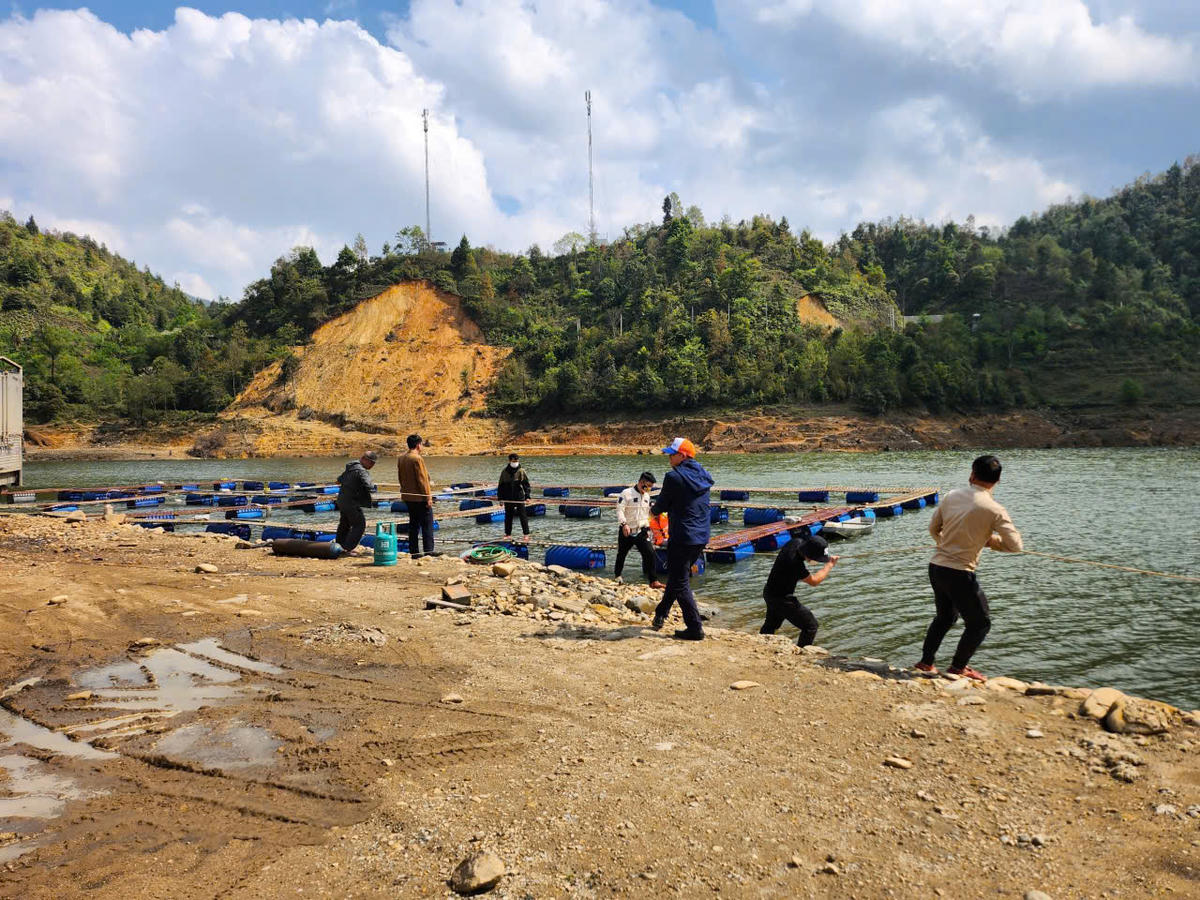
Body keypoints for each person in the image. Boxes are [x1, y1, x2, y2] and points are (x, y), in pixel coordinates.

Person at [914, 454, 1023, 682]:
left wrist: (946, 544)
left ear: (972, 474)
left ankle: (926, 662)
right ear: (998, 481)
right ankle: (958, 668)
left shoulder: (952, 496)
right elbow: (1015, 546)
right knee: (980, 623)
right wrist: (991, 541)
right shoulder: (994, 509)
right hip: (960, 573)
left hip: (936, 566)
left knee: (944, 618)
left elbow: (934, 528)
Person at [650, 437, 714, 640]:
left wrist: (652, 513)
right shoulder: (704, 474)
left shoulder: (673, 477)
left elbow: (661, 506)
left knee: (681, 581)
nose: (669, 457)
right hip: (701, 535)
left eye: (672, 454)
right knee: (679, 576)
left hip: (682, 536)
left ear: (682, 455)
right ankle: (661, 614)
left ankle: (695, 629)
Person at [760, 534, 839, 646]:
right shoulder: (795, 564)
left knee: (771, 624)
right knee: (811, 626)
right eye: (816, 558)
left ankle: (761, 644)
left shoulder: (795, 542)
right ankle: (802, 652)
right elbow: (814, 581)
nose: (815, 561)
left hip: (769, 592)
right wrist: (829, 565)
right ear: (808, 555)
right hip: (782, 599)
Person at [614, 471, 665, 589]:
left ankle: (653, 581)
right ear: (641, 482)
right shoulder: (626, 493)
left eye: (650, 487)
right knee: (621, 553)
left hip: (641, 530)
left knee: (650, 553)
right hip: (626, 529)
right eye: (647, 486)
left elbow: (646, 513)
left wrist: (649, 525)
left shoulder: (647, 496)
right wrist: (624, 524)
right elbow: (619, 510)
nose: (648, 489)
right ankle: (617, 576)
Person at [397, 434, 436, 558]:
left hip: (408, 496)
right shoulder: (417, 459)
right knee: (427, 524)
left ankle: (414, 551)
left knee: (413, 524)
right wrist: (428, 497)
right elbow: (422, 480)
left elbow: (400, 478)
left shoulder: (401, 458)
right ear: (418, 445)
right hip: (419, 497)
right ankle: (429, 550)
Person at [335, 451, 377, 553]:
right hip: (351, 502)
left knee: (344, 524)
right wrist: (373, 488)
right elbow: (370, 486)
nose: (372, 466)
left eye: (374, 464)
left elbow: (339, 480)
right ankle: (347, 548)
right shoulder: (361, 471)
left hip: (342, 501)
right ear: (364, 459)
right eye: (371, 463)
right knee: (360, 524)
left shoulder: (350, 467)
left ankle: (338, 546)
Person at [497, 452, 532, 538]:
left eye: (516, 461)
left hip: (519, 496)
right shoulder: (504, 472)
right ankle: (508, 534)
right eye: (513, 461)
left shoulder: (521, 471)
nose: (515, 462)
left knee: (523, 516)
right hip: (508, 497)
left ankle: (526, 534)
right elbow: (500, 486)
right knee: (508, 516)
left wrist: (527, 496)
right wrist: (500, 498)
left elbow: (526, 485)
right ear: (509, 461)